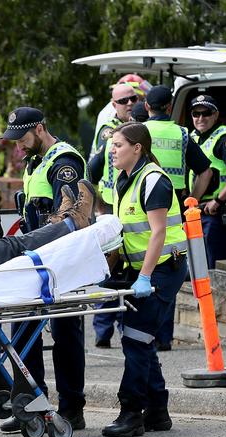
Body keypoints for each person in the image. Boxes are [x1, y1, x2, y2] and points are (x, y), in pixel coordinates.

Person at [0, 106, 88, 433]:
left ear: (39, 128)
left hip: (60, 260)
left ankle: (72, 408)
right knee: (21, 328)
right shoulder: (35, 160)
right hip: (34, 258)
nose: (18, 146)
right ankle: (29, 403)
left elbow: (66, 216)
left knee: (65, 335)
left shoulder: (64, 162)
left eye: (21, 138)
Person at [102, 121, 188, 437]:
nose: (113, 150)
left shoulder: (153, 181)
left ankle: (131, 414)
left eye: (118, 145)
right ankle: (157, 411)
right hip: (143, 270)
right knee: (142, 338)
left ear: (137, 148)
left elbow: (158, 232)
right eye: (112, 145)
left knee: (135, 339)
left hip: (164, 268)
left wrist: (145, 277)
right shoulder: (124, 180)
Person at [144, 85, 212, 351]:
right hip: (174, 210)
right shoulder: (182, 134)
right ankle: (163, 338)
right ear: (170, 107)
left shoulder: (136, 133)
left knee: (139, 270)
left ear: (147, 107)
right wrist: (190, 200)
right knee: (170, 266)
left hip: (142, 208)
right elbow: (205, 172)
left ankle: (140, 332)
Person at [88, 98, 150, 348]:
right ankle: (107, 332)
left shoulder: (147, 173)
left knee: (113, 277)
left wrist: (100, 206)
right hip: (118, 213)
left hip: (126, 217)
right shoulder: (115, 137)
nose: (114, 150)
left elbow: (91, 172)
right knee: (112, 275)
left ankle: (105, 332)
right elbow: (90, 171)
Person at [188, 95, 226, 268]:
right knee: (198, 269)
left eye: (206, 113)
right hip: (196, 212)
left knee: (215, 269)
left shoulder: (224, 139)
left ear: (215, 115)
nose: (200, 118)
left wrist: (218, 200)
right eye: (196, 113)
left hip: (217, 214)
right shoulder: (192, 137)